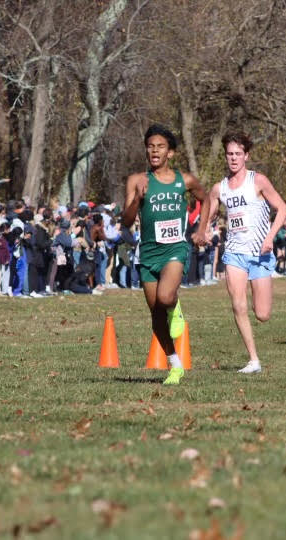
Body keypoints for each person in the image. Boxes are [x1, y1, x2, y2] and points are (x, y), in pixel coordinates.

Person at [122, 124, 210, 385]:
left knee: (166, 296)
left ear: (170, 153)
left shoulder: (186, 181)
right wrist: (138, 199)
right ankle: (175, 365)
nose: (154, 151)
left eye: (160, 146)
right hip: (148, 252)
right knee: (157, 318)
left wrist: (202, 229)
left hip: (175, 248)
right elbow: (125, 221)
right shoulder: (137, 180)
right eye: (150, 146)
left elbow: (206, 200)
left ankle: (176, 307)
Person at [205, 132, 286, 374]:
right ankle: (253, 360)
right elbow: (208, 216)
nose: (233, 158)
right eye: (229, 154)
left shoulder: (258, 181)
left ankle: (259, 302)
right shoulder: (219, 189)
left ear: (246, 156)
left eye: (238, 154)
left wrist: (271, 237)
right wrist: (206, 231)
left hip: (260, 254)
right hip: (234, 252)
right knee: (238, 305)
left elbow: (282, 209)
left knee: (262, 314)